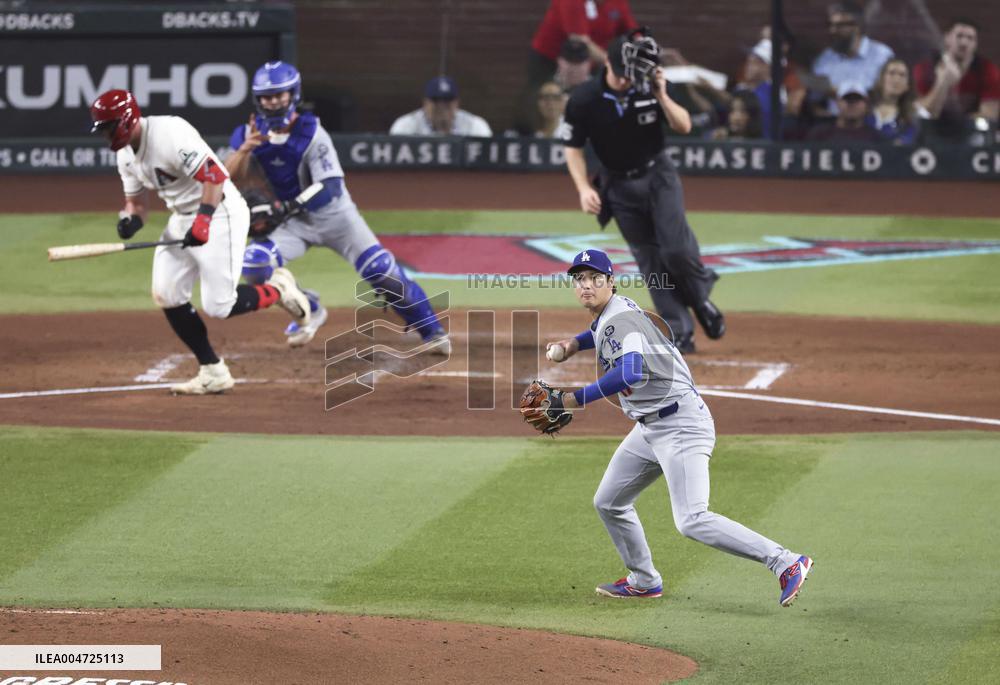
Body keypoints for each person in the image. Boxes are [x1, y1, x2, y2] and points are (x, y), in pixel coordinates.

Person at [539, 248, 813, 605]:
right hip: (651, 427)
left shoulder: (622, 321)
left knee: (692, 519)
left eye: (594, 278)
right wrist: (572, 344)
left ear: (611, 283)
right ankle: (643, 580)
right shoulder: (615, 311)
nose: (586, 285)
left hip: (681, 424)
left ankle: (786, 562)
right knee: (609, 502)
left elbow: (631, 370)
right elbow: (599, 332)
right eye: (579, 280)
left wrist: (573, 400)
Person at [90, 89, 312, 395]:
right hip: (182, 218)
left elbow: (215, 177)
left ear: (126, 119)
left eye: (108, 127)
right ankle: (213, 370)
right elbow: (137, 205)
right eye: (102, 129)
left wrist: (204, 221)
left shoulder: (169, 133)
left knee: (219, 305)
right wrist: (130, 222)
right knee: (166, 293)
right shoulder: (125, 155)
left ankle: (278, 290)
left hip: (219, 211)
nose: (106, 135)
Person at [227, 61, 450, 352]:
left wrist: (284, 207)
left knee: (381, 272)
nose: (273, 102)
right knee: (255, 263)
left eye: (279, 95)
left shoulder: (312, 133)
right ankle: (309, 307)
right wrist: (245, 148)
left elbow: (329, 188)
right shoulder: (248, 132)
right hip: (293, 224)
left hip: (336, 218)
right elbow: (226, 176)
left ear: (292, 94)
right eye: (267, 96)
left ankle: (432, 331)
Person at [562, 28, 725, 353]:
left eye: (630, 75)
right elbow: (573, 147)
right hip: (618, 186)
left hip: (658, 176)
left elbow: (684, 125)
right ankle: (680, 330)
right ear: (606, 62)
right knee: (650, 262)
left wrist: (662, 95)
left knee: (676, 250)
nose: (625, 81)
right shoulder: (584, 99)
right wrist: (582, 188)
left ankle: (700, 299)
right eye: (620, 74)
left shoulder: (649, 88)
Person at [516, 0, 639, 133]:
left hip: (589, 60)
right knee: (544, 97)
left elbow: (632, 32)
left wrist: (647, 51)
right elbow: (579, 40)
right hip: (550, 58)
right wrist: (612, 63)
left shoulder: (617, 3)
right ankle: (530, 136)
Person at [913, 18, 1000, 124]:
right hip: (932, 131)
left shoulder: (988, 70)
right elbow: (922, 113)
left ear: (975, 44)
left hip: (971, 133)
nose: (964, 43)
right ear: (947, 38)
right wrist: (942, 83)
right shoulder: (925, 69)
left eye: (970, 38)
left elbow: (989, 116)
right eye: (959, 36)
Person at [811, 2, 894, 112]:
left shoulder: (882, 56)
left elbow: (893, 96)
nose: (833, 31)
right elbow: (814, 103)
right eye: (831, 25)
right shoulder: (824, 60)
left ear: (857, 26)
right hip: (835, 124)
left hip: (874, 123)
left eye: (840, 25)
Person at [389, 76, 492, 137]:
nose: (442, 107)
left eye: (447, 101)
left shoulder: (475, 125)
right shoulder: (406, 125)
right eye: (436, 101)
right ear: (425, 103)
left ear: (457, 103)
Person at [867, 58, 926, 145]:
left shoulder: (912, 116)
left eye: (902, 75)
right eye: (891, 73)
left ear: (907, 85)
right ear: (881, 80)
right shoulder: (863, 107)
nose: (896, 79)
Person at [806, 81, 882, 142]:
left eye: (857, 99)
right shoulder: (819, 135)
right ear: (837, 102)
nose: (852, 104)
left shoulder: (876, 138)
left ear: (866, 103)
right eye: (847, 99)